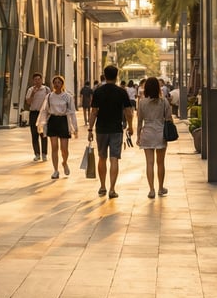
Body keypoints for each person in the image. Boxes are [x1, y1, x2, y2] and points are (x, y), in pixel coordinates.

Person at [88, 65, 134, 199]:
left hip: (101, 129)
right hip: (116, 129)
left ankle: (102, 186)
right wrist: (130, 127)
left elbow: (94, 112)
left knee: (102, 157)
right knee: (114, 158)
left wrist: (90, 129)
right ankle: (112, 189)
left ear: (104, 75)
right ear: (116, 76)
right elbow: (128, 112)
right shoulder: (121, 92)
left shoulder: (98, 91)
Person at [136, 76, 172, 198]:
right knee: (160, 163)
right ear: (158, 88)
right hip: (160, 133)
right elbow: (168, 118)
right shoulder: (163, 102)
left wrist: (138, 136)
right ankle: (161, 188)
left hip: (147, 134)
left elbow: (139, 121)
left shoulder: (142, 102)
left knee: (149, 163)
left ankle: (151, 190)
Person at [36, 75, 78, 178]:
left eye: (59, 82)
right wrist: (41, 123)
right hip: (53, 121)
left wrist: (74, 127)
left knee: (64, 149)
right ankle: (55, 170)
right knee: (54, 147)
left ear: (62, 84)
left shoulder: (67, 97)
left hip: (63, 121)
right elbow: (44, 110)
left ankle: (64, 162)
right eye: (55, 82)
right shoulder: (49, 96)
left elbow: (72, 112)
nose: (57, 84)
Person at [24, 73, 49, 161]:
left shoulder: (46, 89)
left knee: (43, 134)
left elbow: (49, 102)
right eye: (35, 80)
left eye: (39, 79)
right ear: (33, 81)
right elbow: (28, 102)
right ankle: (37, 154)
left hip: (43, 113)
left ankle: (44, 154)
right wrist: (33, 94)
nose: (37, 81)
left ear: (42, 80)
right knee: (34, 134)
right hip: (33, 113)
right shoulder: (30, 90)